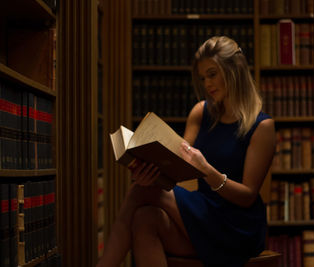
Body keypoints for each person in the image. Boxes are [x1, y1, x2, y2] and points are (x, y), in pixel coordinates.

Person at [97, 36, 275, 267]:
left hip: (237, 226)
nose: (207, 84)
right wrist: (150, 174)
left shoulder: (262, 127)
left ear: (234, 70)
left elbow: (248, 196)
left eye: (212, 74)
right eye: (203, 78)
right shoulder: (200, 112)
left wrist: (207, 170)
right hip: (202, 215)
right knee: (144, 217)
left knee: (139, 194)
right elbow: (177, 172)